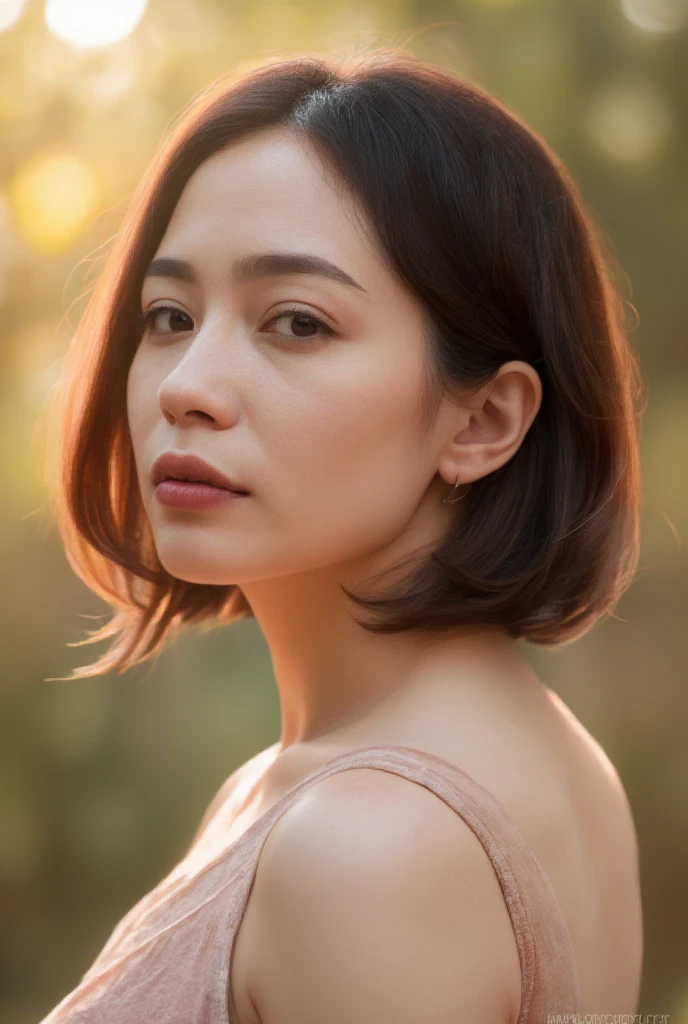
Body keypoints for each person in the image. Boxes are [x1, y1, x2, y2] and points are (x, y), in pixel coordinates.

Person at [40, 46, 644, 1022]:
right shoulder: (537, 760)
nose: (188, 384)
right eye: (168, 314)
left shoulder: (366, 845)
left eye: (296, 323)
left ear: (482, 420)